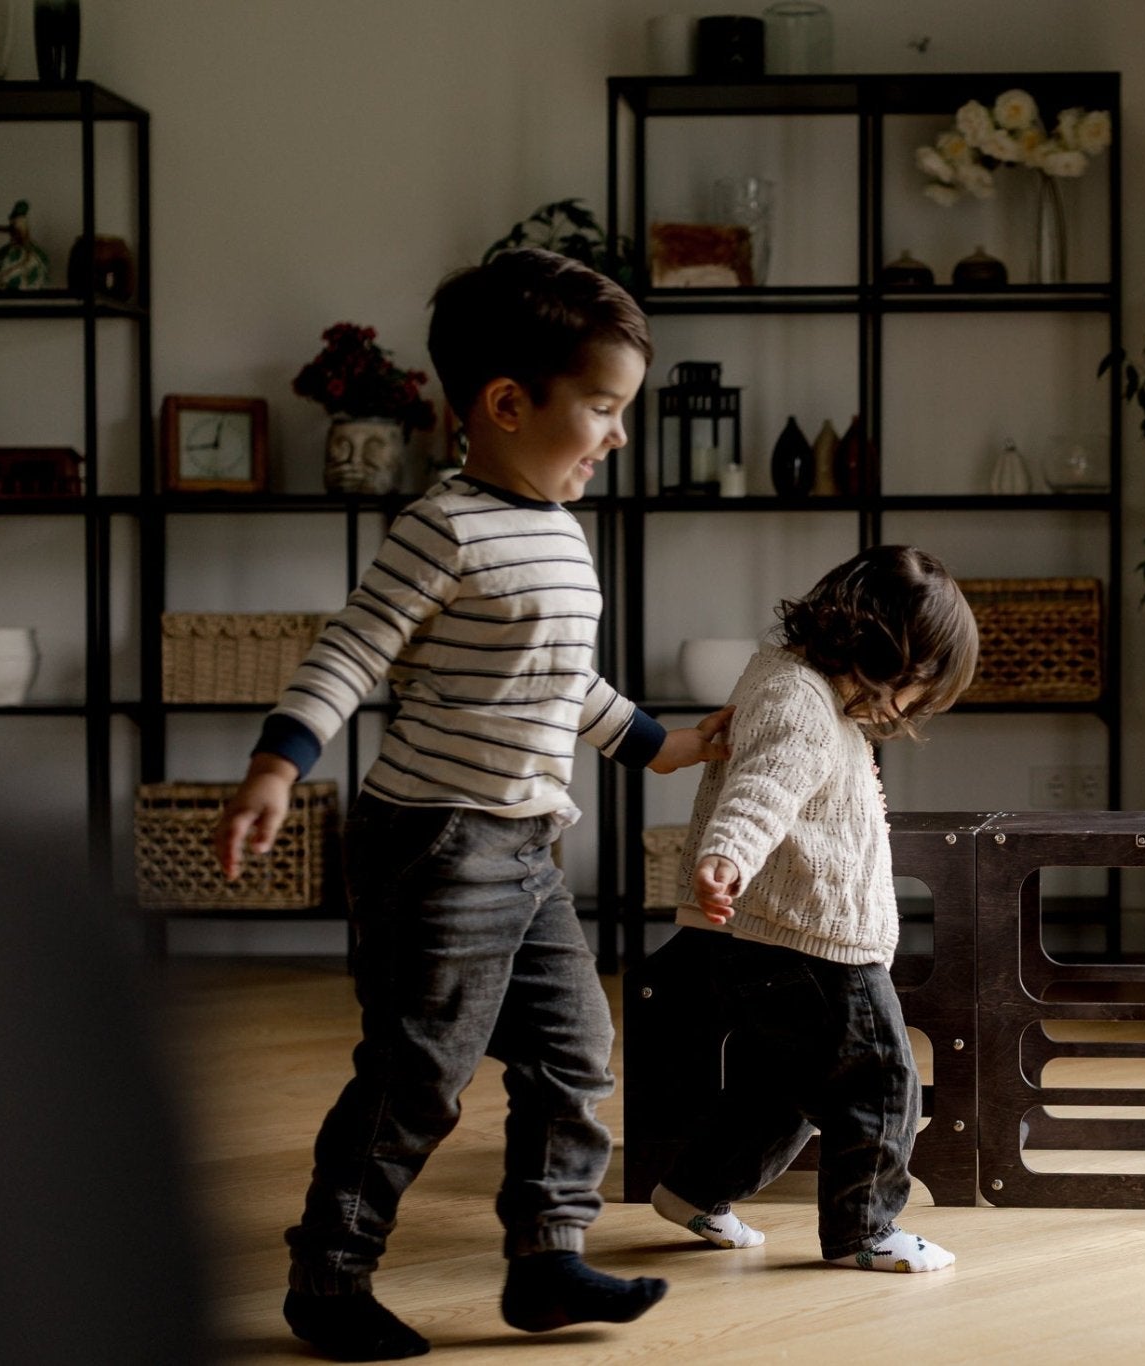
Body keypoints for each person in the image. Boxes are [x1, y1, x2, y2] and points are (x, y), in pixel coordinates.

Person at [214, 247, 729, 1363]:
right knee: (418, 1069)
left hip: (525, 843)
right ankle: (328, 1275)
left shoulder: (558, 526)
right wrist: (276, 762)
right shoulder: (440, 527)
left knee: (577, 1045)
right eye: (602, 407)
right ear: (504, 404)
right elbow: (349, 651)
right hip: (436, 845)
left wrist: (667, 745)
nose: (618, 435)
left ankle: (545, 1258)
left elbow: (561, 681)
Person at [646, 544, 977, 1275]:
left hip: (771, 938)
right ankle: (865, 1229)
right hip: (809, 940)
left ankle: (694, 1188)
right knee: (881, 1076)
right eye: (910, 687)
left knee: (782, 1087)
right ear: (873, 648)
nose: (905, 709)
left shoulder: (795, 679)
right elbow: (762, 787)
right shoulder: (800, 703)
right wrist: (726, 854)